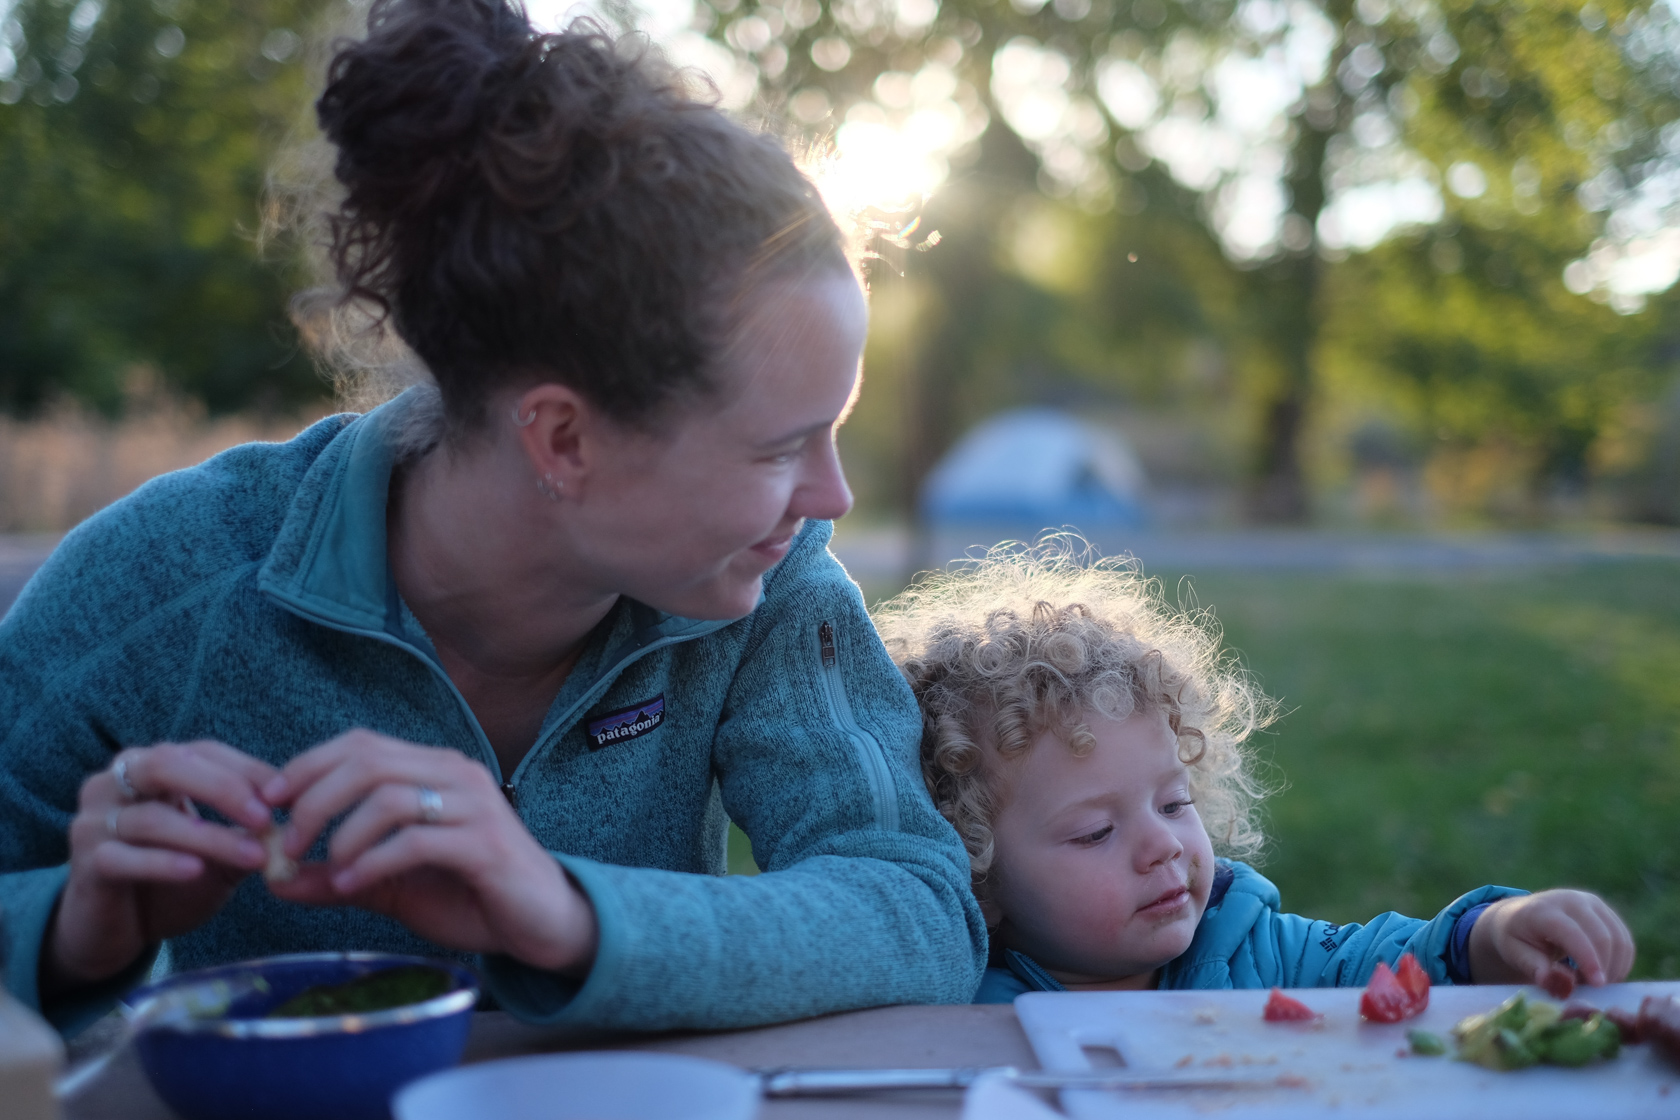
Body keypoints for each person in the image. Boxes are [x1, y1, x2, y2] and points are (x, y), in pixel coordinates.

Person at [0, 0, 985, 1036]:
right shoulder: (173, 573)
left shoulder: (769, 575)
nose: (832, 498)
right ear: (563, 439)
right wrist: (70, 928)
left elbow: (916, 907)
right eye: (781, 446)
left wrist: (566, 913)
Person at [870, 540, 1636, 1001]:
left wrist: (1490, 937)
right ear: (978, 873)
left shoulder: (1247, 945)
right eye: (1097, 830)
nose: (1164, 847)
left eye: (1173, 804)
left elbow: (1382, 964)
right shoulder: (956, 1006)